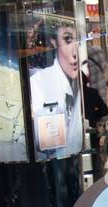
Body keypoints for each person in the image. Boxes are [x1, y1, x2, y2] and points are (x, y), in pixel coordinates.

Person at [28, 17, 83, 157]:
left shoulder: (81, 85)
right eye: (68, 40)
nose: (75, 53)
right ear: (54, 42)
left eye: (79, 40)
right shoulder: (38, 84)